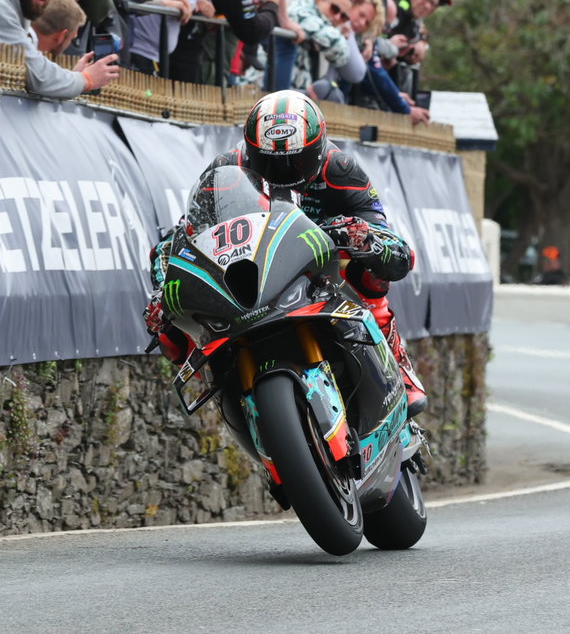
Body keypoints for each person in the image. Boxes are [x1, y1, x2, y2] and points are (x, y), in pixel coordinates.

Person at [143, 91, 428, 418]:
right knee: (171, 335)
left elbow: (392, 245)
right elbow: (186, 233)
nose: (284, 172)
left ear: (318, 150)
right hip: (257, 265)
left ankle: (397, 365)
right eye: (269, 163)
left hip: (320, 260)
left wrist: (366, 240)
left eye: (297, 160)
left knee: (371, 275)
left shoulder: (341, 170)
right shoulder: (226, 169)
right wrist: (160, 289)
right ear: (251, 151)